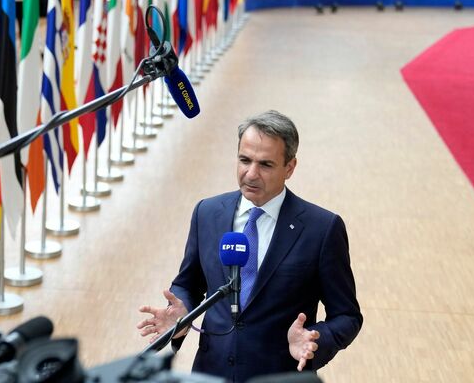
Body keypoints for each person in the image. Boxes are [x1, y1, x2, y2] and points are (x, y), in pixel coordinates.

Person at [137, 110, 363, 382]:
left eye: (265, 165)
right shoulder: (207, 213)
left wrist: (315, 341)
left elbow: (347, 315)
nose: (251, 174)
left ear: (289, 167)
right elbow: (189, 283)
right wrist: (181, 311)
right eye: (244, 160)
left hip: (279, 375)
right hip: (211, 372)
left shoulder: (322, 229)